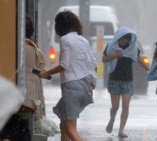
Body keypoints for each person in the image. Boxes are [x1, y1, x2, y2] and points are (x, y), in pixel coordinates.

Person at [39, 11, 97, 141]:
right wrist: (93, 81)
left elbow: (64, 65)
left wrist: (46, 73)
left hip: (71, 86)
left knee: (71, 129)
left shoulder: (65, 40)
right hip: (84, 86)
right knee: (64, 123)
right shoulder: (83, 40)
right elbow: (93, 64)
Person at [0, 15, 46, 141]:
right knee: (22, 129)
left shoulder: (11, 47)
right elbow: (41, 66)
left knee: (8, 130)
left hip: (10, 97)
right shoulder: (35, 50)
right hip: (28, 101)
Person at [102, 27, 149, 138]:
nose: (123, 41)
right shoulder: (111, 47)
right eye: (121, 38)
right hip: (114, 79)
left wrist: (149, 69)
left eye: (126, 39)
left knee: (126, 105)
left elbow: (139, 59)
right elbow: (104, 59)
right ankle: (112, 120)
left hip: (127, 80)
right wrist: (114, 56)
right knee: (115, 106)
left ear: (129, 39)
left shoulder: (132, 48)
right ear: (118, 38)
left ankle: (121, 130)